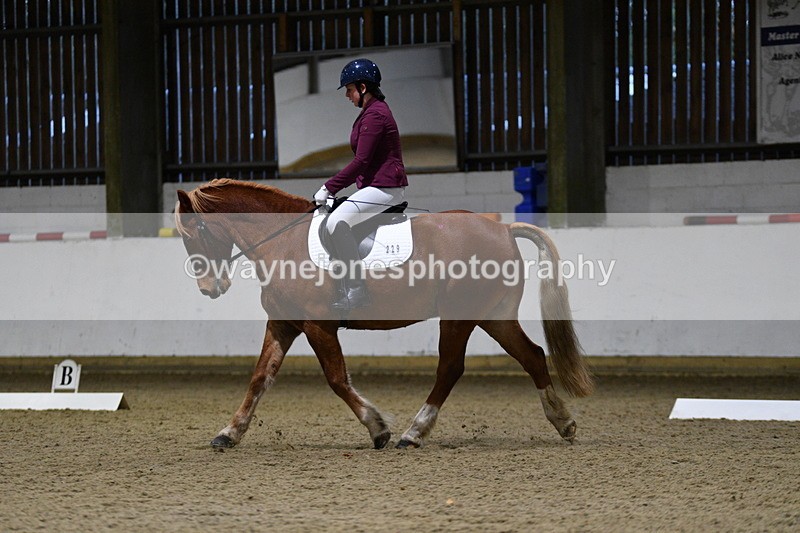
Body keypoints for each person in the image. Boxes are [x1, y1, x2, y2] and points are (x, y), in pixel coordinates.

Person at [313, 58, 408, 312]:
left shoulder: (376, 115)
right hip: (375, 187)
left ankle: (357, 289)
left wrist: (329, 187)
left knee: (336, 222)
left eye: (349, 89)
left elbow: (362, 160)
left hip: (385, 188)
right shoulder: (371, 112)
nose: (347, 95)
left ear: (363, 87)